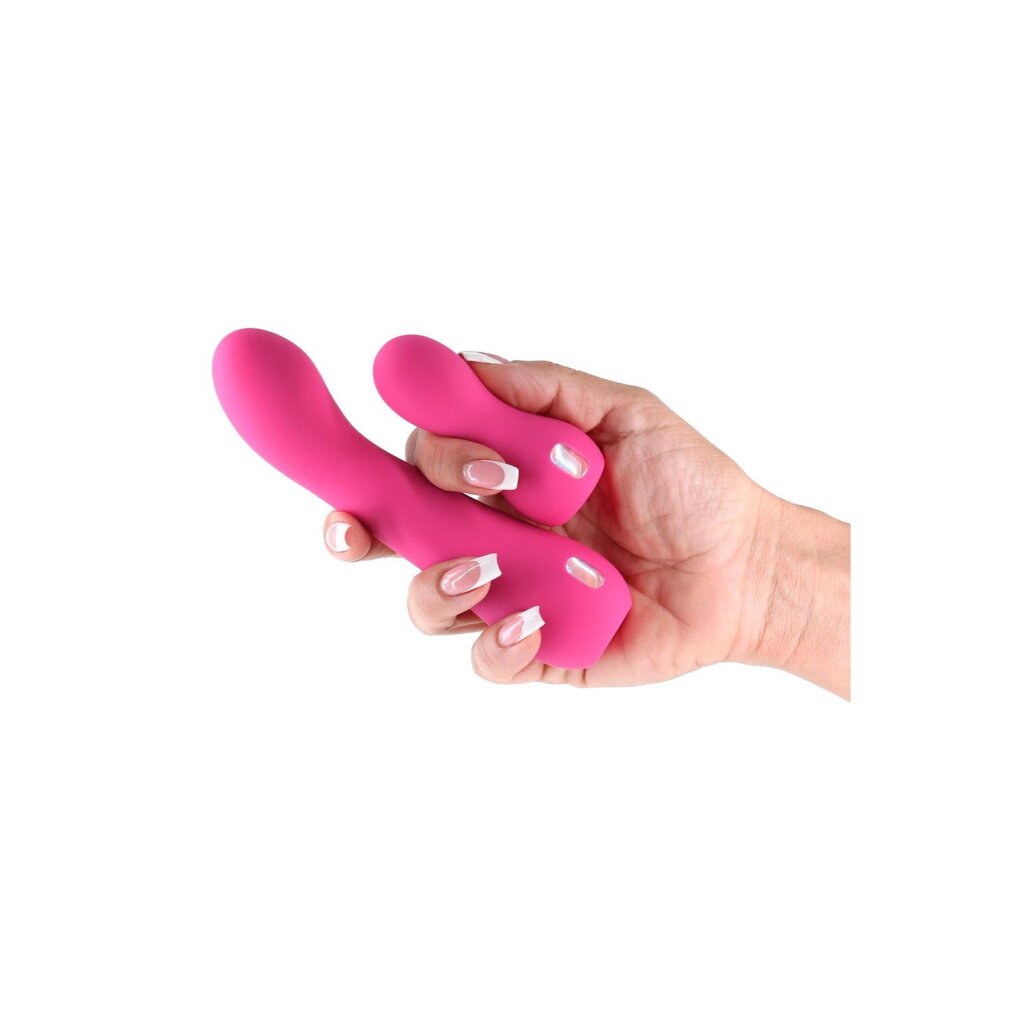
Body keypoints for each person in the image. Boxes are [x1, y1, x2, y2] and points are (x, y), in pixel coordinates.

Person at [321, 351, 850, 699]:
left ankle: (346, 467)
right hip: (571, 568)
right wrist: (759, 583)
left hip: (571, 573)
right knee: (379, 487)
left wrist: (761, 581)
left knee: (376, 486)